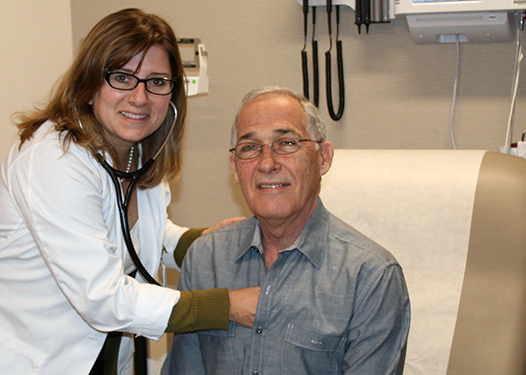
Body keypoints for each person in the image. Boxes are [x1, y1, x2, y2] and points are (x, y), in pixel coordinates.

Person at [0, 8, 258, 375]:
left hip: (88, 357)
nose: (140, 97)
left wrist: (205, 244)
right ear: (88, 85)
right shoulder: (54, 160)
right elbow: (101, 296)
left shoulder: (136, 152)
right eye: (122, 77)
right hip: (14, 355)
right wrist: (226, 306)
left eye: (157, 82)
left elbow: (139, 233)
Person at [162, 86, 411, 375]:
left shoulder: (371, 277)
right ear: (235, 167)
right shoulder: (206, 258)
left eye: (287, 143)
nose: (267, 163)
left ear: (323, 158)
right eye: (250, 148)